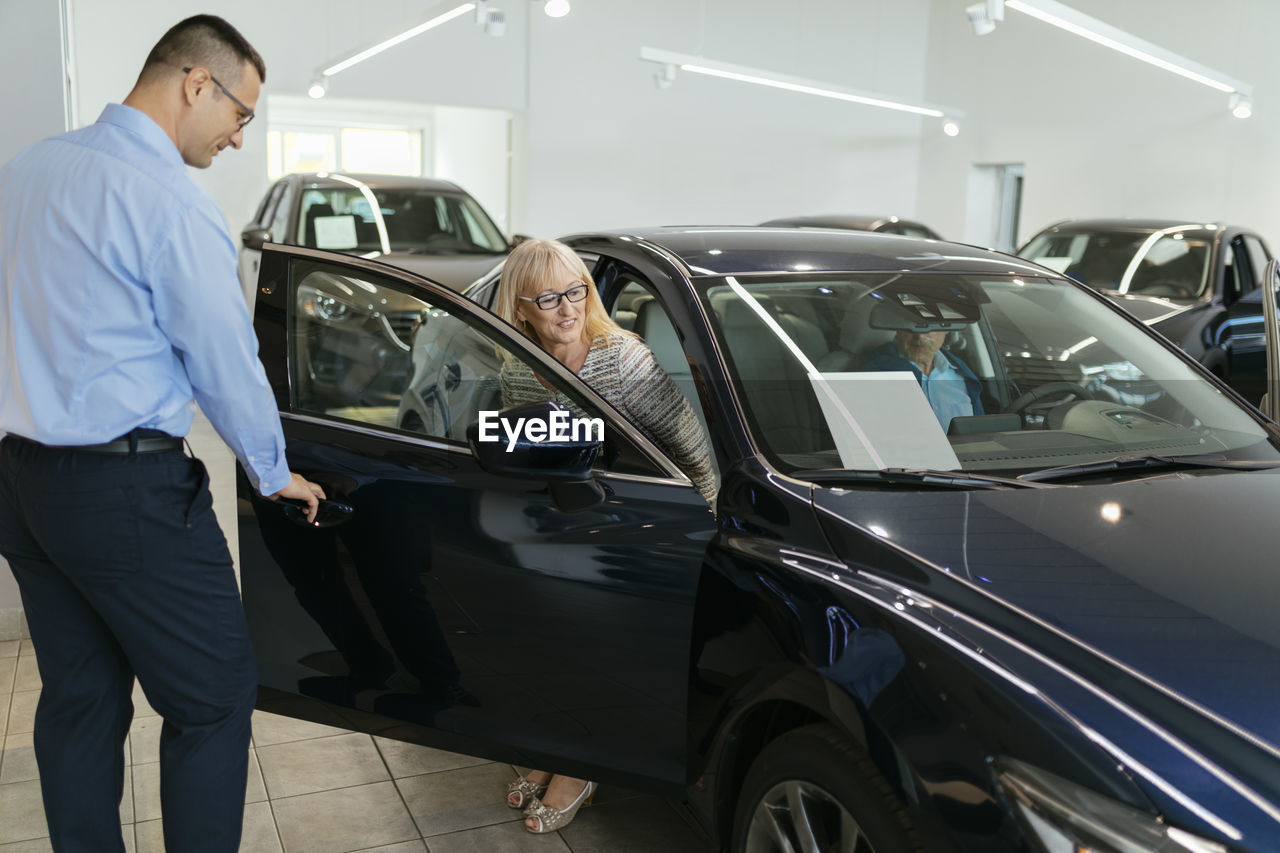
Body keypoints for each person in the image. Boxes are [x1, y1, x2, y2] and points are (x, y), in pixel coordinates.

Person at [0, 16, 324, 853]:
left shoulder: (28, 169)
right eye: (241, 114)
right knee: (213, 698)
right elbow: (224, 356)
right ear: (195, 84)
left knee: (80, 695)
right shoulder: (170, 202)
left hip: (21, 483)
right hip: (126, 495)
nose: (238, 137)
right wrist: (272, 468)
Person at [491, 238, 714, 833]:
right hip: (568, 521)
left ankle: (583, 763)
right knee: (540, 631)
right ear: (521, 309)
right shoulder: (517, 363)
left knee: (594, 633)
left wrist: (701, 532)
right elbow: (533, 453)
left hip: (639, 525)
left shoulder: (624, 357)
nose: (567, 308)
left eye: (576, 292)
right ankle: (557, 744)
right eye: (548, 297)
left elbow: (690, 451)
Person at [860, 330, 984, 431]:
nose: (919, 336)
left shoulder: (964, 376)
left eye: (929, 326)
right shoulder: (874, 374)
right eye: (911, 326)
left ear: (946, 329)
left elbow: (981, 436)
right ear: (898, 329)